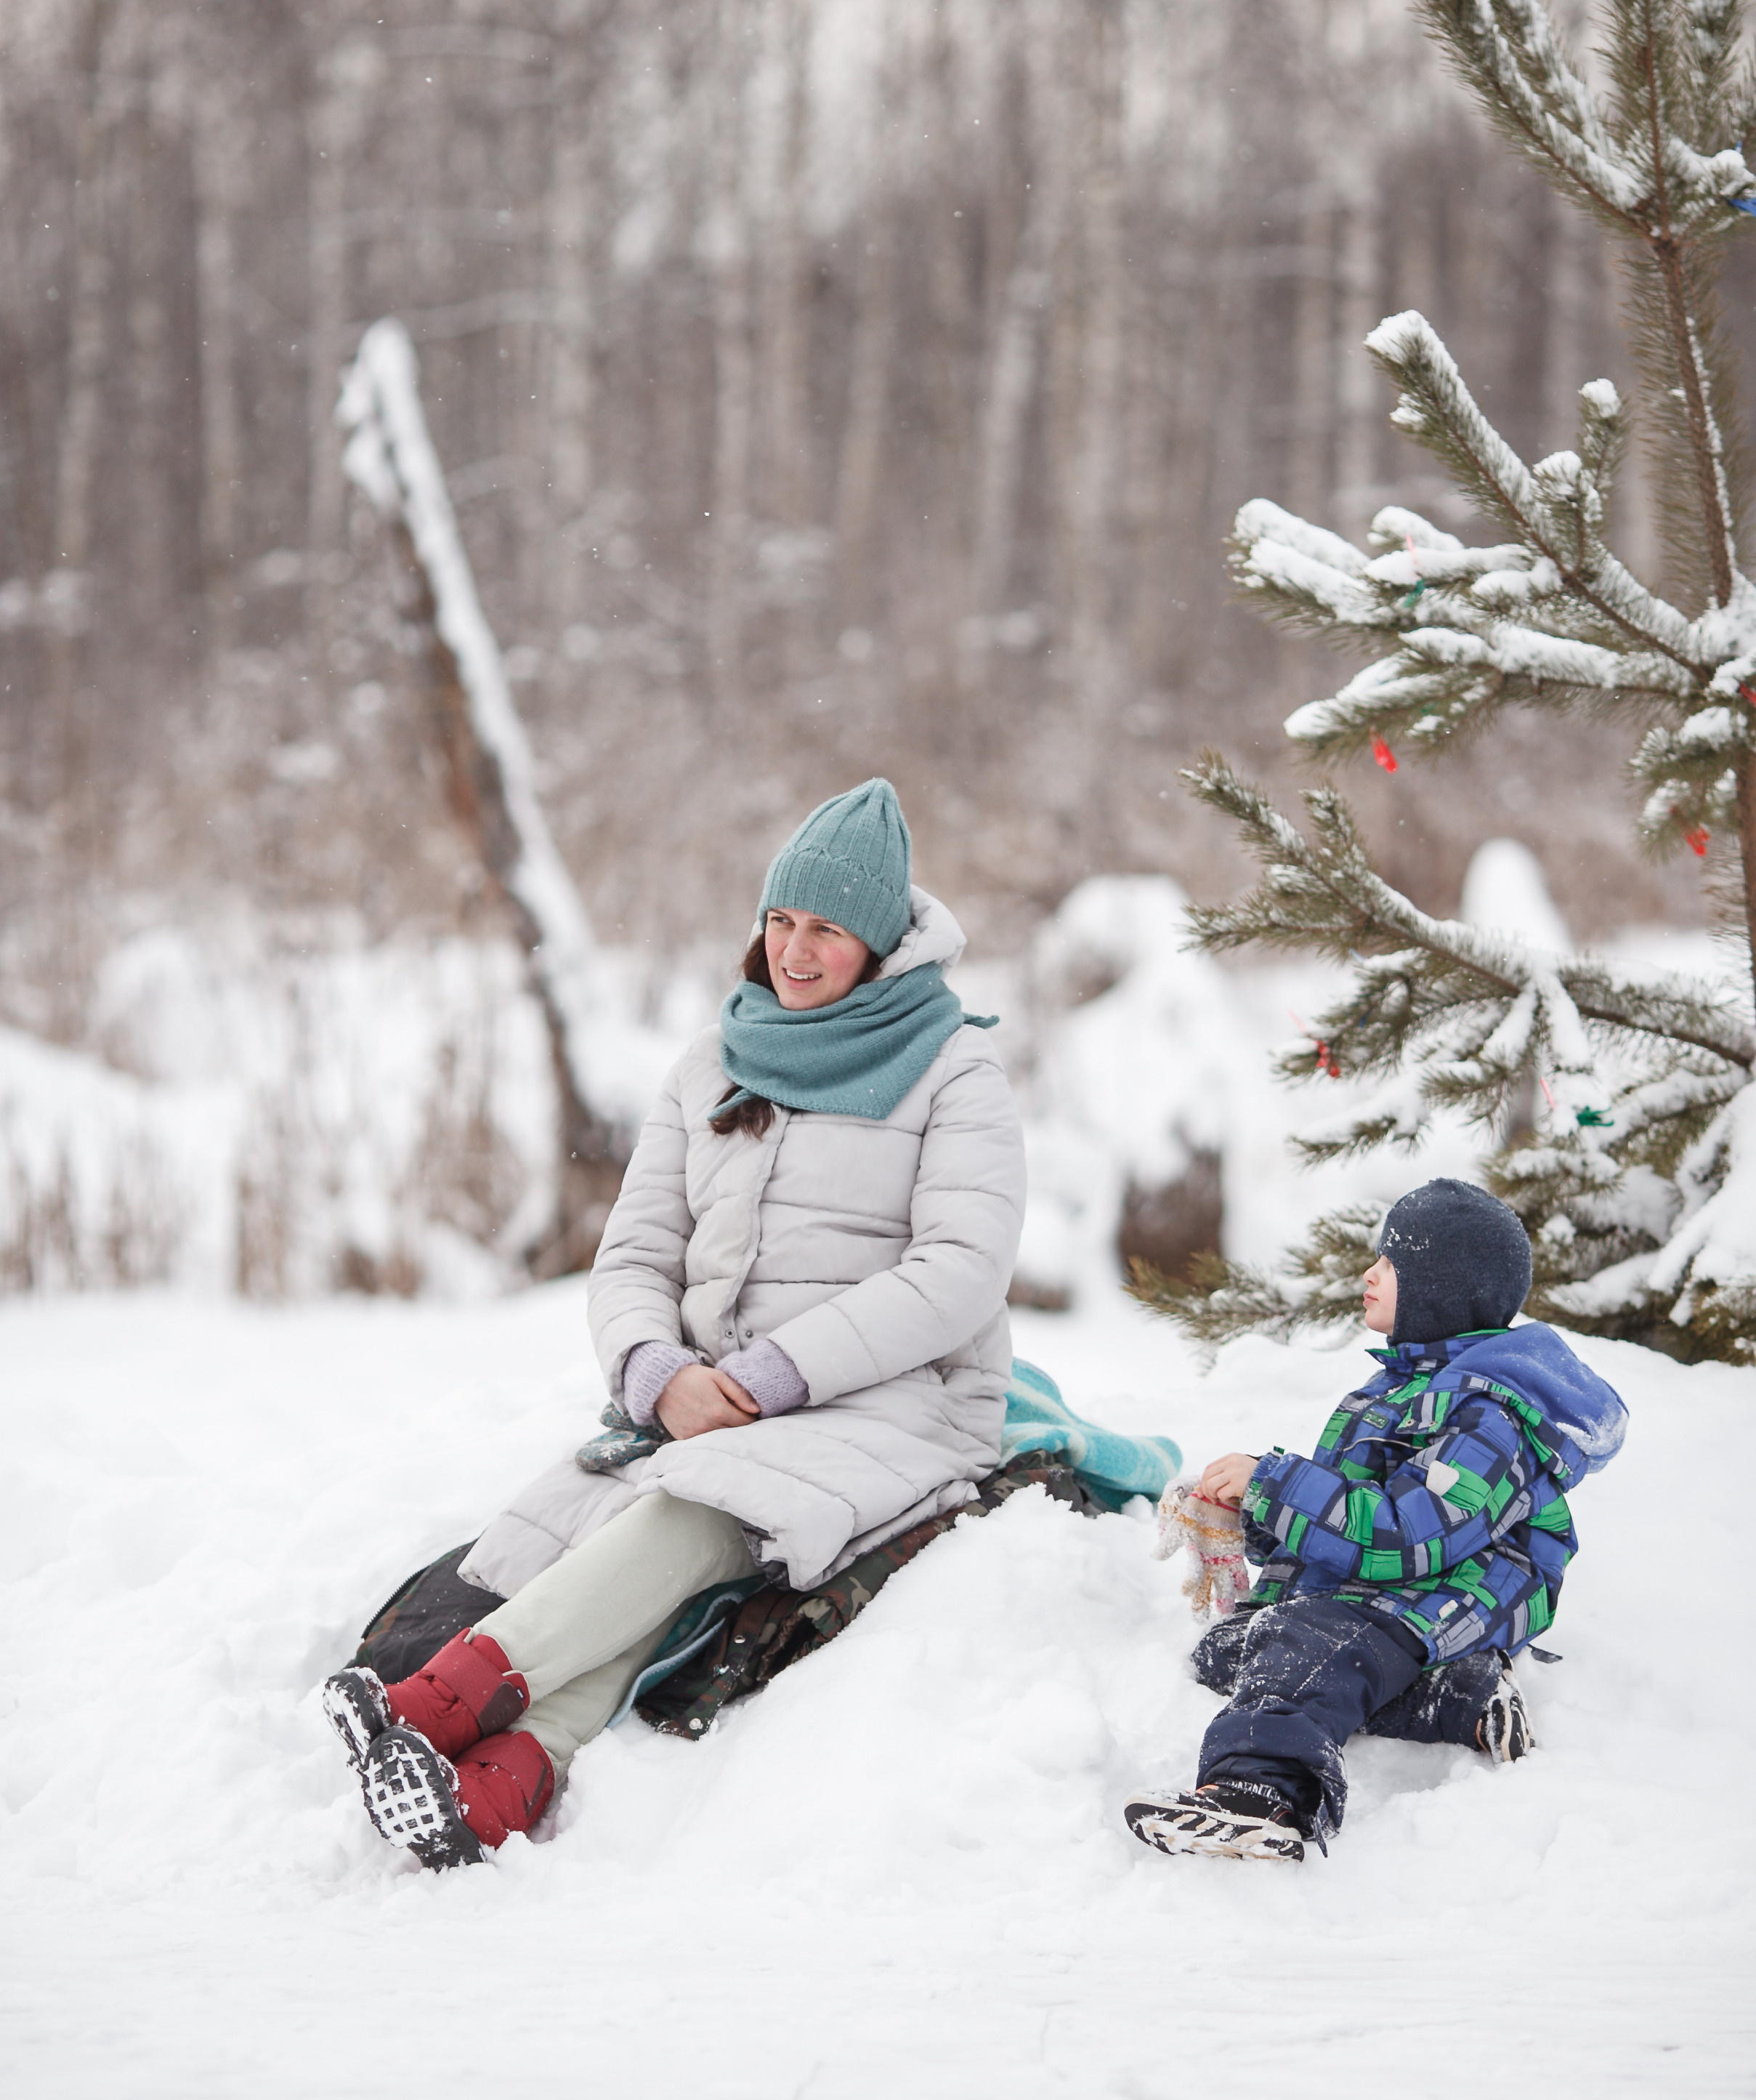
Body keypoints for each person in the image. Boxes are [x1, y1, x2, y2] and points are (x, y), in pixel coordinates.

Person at [322, 778, 1027, 1867]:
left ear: (882, 943)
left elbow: (960, 1274)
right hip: (704, 1402)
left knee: (695, 1513)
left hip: (895, 1400)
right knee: (648, 1545)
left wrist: (768, 1380)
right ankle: (496, 1791)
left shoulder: (956, 1066)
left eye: (828, 930)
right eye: (780, 921)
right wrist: (654, 1370)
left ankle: (432, 1706)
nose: (795, 951)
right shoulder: (711, 1062)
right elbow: (635, 1254)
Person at [1125, 1177, 1627, 1865]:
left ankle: (1260, 1796)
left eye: (1390, 1264)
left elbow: (1404, 1535)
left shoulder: (1490, 1415)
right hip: (1387, 1591)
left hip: (1449, 1592)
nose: (1369, 1274)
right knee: (1231, 1648)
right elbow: (1350, 1516)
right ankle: (1457, 1695)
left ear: (1440, 1290)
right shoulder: (1392, 1390)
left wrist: (1274, 1483)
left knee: (1302, 1651)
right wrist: (1255, 1513)